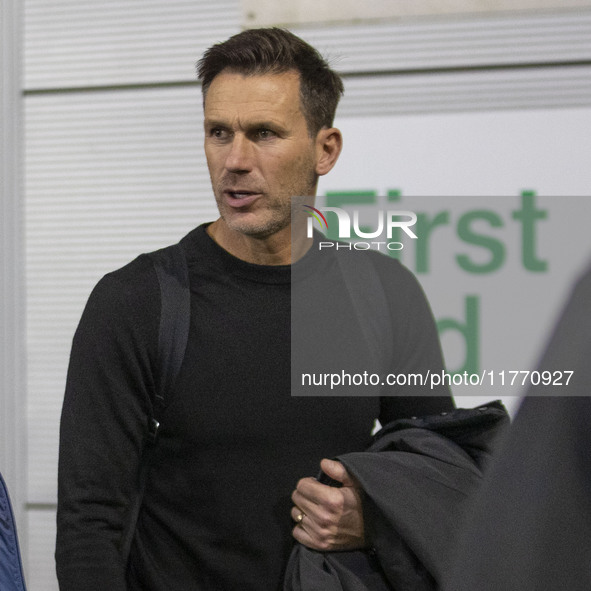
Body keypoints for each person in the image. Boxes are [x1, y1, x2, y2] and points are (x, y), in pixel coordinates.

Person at [55, 28, 454, 591]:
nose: (235, 161)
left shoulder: (384, 293)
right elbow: (88, 523)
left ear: (325, 149)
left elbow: (441, 479)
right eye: (219, 133)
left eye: (264, 133)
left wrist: (378, 520)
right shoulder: (137, 301)